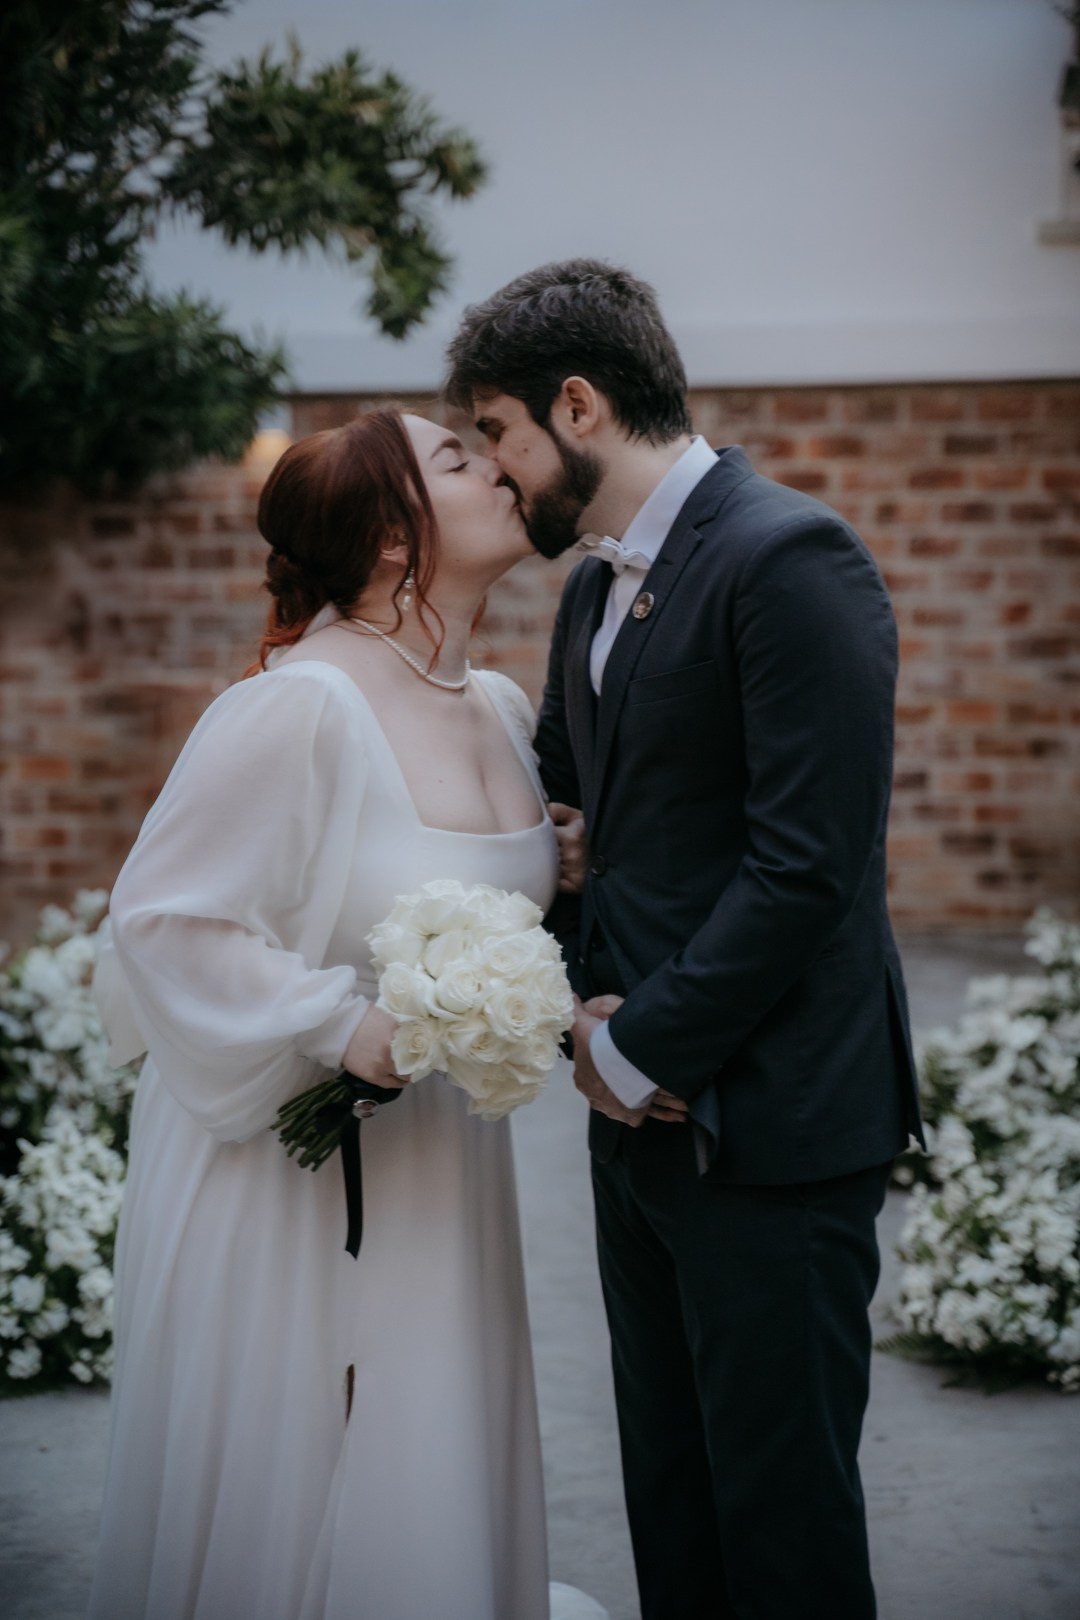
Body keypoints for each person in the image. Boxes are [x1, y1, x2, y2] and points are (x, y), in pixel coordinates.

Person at [445, 259, 926, 1620]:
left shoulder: (791, 558)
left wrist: (636, 1044)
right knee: (674, 1498)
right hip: (635, 1124)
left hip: (771, 1126)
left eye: (499, 432)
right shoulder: (592, 593)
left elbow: (808, 866)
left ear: (578, 406)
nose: (498, 468)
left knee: (781, 1522)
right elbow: (569, 820)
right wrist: (577, 1009)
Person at [88, 407, 606, 1620]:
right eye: (457, 459)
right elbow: (164, 918)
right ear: (391, 537)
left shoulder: (495, 706)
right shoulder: (300, 705)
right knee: (313, 1457)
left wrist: (566, 864)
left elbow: (474, 893)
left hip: (441, 1164)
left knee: (423, 1448)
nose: (498, 467)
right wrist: (342, 1028)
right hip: (296, 1178)